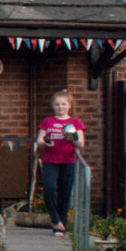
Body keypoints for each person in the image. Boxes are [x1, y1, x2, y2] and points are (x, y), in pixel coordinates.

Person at [35, 89, 85, 236]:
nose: (60, 107)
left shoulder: (75, 122)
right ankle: (55, 219)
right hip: (50, 160)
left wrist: (72, 137)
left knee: (65, 192)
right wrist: (45, 142)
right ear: (53, 106)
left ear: (69, 105)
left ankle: (60, 226)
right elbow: (39, 140)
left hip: (68, 161)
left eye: (63, 104)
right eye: (57, 104)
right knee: (48, 187)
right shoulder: (47, 121)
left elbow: (81, 144)